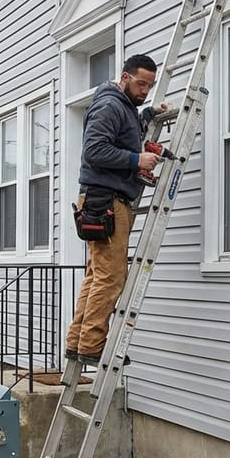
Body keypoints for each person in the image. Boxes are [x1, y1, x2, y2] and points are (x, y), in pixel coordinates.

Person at [66, 53, 169, 364]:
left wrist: (149, 113)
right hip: (107, 200)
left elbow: (125, 130)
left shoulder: (123, 106)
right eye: (140, 84)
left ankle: (78, 342)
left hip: (100, 199)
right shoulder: (110, 105)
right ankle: (92, 348)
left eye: (149, 86)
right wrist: (136, 160)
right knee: (111, 277)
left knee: (96, 275)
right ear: (124, 77)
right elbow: (95, 149)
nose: (144, 91)